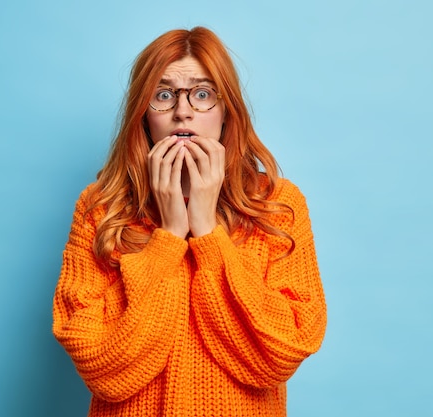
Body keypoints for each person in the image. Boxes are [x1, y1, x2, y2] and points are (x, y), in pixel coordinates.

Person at [52, 26, 327, 417]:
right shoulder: (101, 208)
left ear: (227, 110)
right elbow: (101, 365)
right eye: (163, 95)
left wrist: (206, 229)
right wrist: (167, 237)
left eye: (201, 94)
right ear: (143, 115)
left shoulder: (278, 205)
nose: (183, 111)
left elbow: (281, 352)